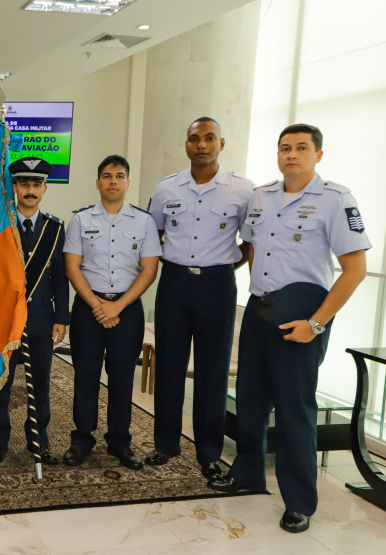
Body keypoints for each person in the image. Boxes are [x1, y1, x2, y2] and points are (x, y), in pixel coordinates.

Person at [208, 124, 370, 534]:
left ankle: (299, 501)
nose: (291, 154)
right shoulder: (261, 196)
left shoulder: (335, 199)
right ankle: (247, 474)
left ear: (318, 154)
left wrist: (317, 324)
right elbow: (250, 248)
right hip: (259, 312)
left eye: (301, 148)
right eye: (284, 148)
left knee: (295, 411)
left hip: (301, 319)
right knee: (250, 400)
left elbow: (355, 270)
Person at [145, 117, 253, 479]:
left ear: (222, 143)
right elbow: (153, 234)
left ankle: (208, 450)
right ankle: (166, 443)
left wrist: (221, 272)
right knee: (170, 367)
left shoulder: (242, 190)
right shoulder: (166, 189)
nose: (202, 145)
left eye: (209, 138)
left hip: (217, 287)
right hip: (173, 284)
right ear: (186, 144)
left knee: (213, 370)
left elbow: (250, 243)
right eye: (194, 139)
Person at [63, 155, 161, 470]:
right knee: (86, 376)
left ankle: (120, 442)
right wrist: (97, 305)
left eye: (119, 175)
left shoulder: (144, 222)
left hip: (127, 309)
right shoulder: (80, 220)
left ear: (128, 183)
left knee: (121, 378)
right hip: (87, 308)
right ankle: (81, 440)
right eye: (107, 175)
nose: (113, 181)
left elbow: (149, 270)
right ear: (98, 182)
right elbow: (72, 267)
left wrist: (116, 306)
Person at [0, 157, 68, 466]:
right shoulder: (0, 228)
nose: (30, 190)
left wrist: (62, 317)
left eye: (36, 185)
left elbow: (60, 276)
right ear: (15, 187)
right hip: (5, 321)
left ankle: (39, 440)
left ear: (44, 189)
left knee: (40, 384)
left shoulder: (55, 228)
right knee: (2, 382)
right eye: (24, 184)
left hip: (41, 321)